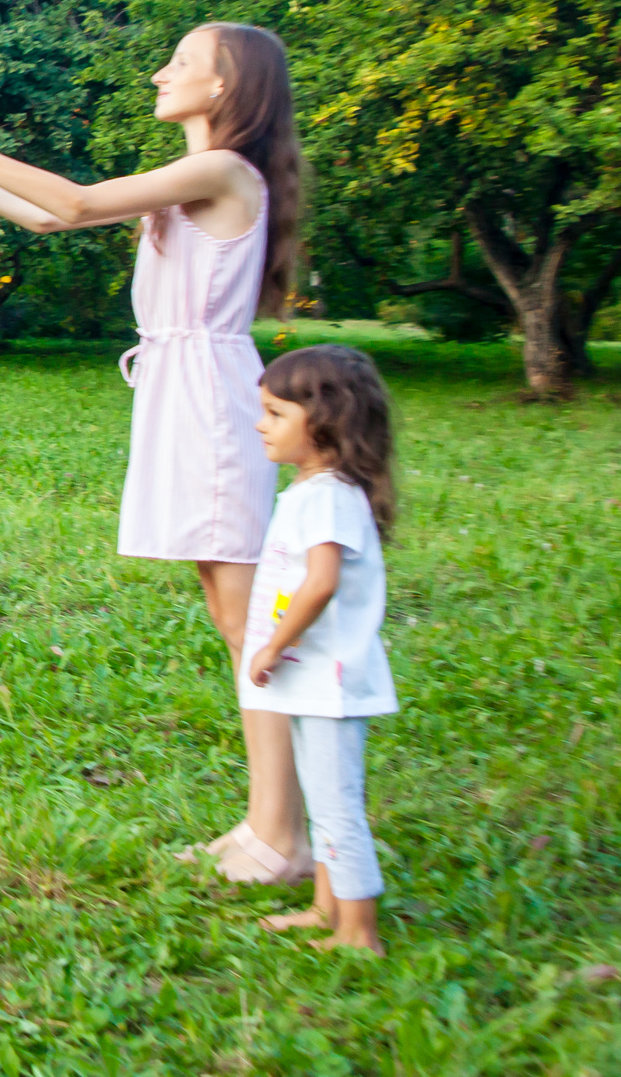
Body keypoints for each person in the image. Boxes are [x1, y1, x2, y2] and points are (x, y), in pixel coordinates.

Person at [0, 23, 310, 881]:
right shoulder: (192, 179)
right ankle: (265, 824)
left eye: (179, 62)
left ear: (224, 89)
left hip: (212, 407)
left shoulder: (223, 172)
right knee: (232, 617)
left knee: (250, 623)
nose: (158, 71)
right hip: (183, 395)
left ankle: (280, 836)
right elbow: (41, 216)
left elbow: (71, 201)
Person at [245, 344, 400, 953]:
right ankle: (324, 909)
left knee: (339, 808)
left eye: (276, 414)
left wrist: (272, 647)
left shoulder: (331, 495)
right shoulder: (314, 490)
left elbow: (321, 583)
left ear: (326, 422)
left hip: (329, 678)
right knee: (324, 801)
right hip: (313, 678)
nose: (261, 424)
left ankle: (359, 931)